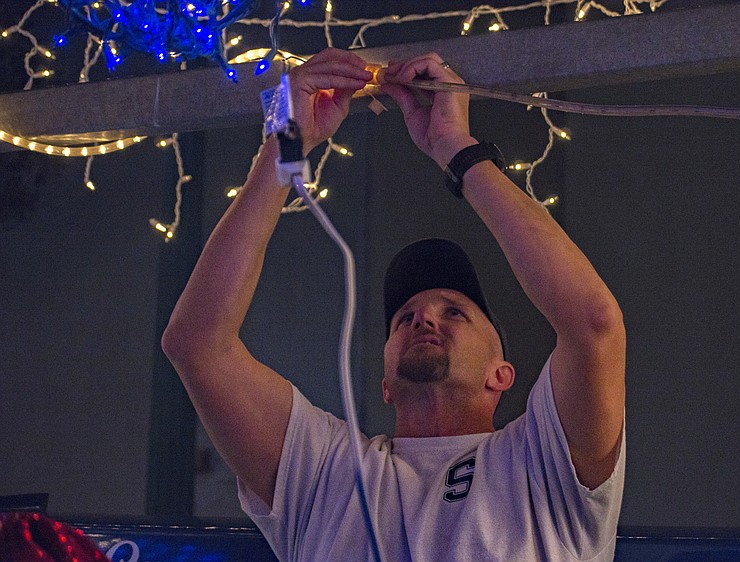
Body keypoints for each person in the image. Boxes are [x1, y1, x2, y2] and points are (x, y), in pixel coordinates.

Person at [162, 47, 626, 561]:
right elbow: (197, 344)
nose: (423, 317)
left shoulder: (542, 462)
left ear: (501, 375)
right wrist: (285, 141)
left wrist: (456, 148)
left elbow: (593, 324)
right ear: (384, 383)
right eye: (404, 319)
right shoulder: (324, 470)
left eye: (454, 311)